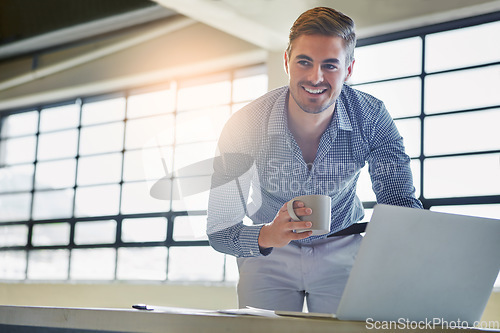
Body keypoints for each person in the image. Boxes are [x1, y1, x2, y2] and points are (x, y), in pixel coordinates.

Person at [207, 6, 422, 314]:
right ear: (286, 61)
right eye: (304, 62)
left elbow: (399, 203)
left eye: (330, 66)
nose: (315, 77)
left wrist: (403, 242)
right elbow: (220, 230)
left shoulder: (372, 118)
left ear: (348, 70)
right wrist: (268, 234)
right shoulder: (244, 125)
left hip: (343, 247)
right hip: (268, 251)